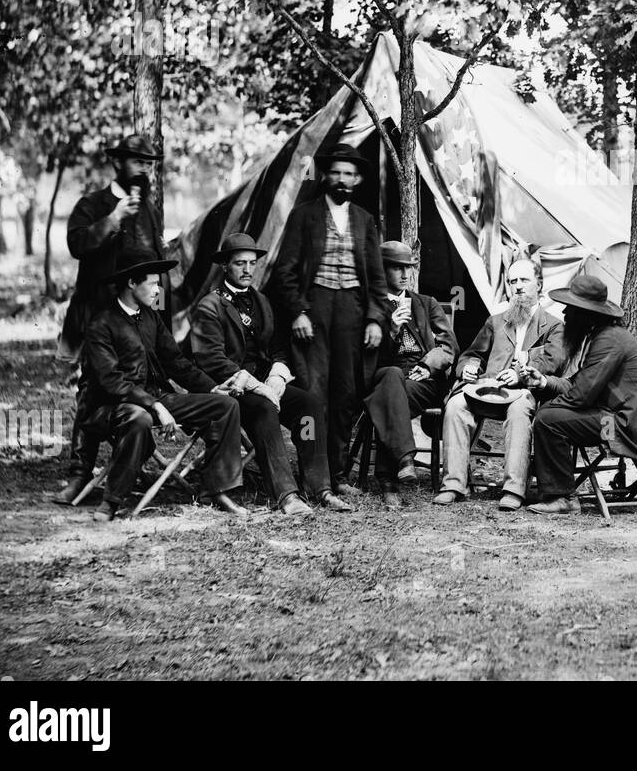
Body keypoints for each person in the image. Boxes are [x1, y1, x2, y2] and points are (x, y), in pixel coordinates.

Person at [189, 233, 353, 516]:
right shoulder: (210, 306)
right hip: (231, 390)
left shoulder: (262, 301)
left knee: (308, 406)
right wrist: (255, 385)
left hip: (266, 383)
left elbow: (277, 347)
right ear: (225, 266)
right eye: (240, 263)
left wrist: (277, 375)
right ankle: (287, 495)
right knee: (265, 409)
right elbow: (211, 359)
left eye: (252, 263)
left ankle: (319, 487)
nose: (247, 270)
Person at [82, 250, 247, 522]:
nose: (158, 289)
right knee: (139, 418)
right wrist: (155, 405)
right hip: (111, 407)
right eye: (152, 283)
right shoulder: (102, 323)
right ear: (132, 283)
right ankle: (111, 501)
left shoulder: (149, 317)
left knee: (225, 405)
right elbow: (111, 382)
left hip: (157, 400)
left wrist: (211, 388)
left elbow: (176, 362)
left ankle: (216, 490)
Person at [269, 143, 387, 497]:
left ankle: (339, 475)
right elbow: (285, 272)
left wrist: (375, 319)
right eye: (335, 172)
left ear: (358, 179)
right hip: (315, 310)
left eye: (349, 173)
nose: (341, 179)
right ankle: (313, 475)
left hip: (352, 312)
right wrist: (299, 312)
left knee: (346, 395)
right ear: (325, 175)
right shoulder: (304, 215)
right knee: (314, 394)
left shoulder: (365, 221)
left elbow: (378, 280)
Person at [54, 133, 165, 506]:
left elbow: (155, 257)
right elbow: (76, 244)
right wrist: (114, 218)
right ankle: (79, 475)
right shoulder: (93, 203)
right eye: (137, 162)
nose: (144, 170)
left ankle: (126, 464)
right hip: (98, 316)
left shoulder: (149, 208)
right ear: (118, 163)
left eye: (148, 164)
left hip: (135, 317)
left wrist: (157, 305)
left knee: (133, 386)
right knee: (92, 392)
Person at [521, 274, 637, 515]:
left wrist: (546, 409)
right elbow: (580, 384)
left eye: (571, 308)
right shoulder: (602, 336)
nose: (566, 314)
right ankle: (554, 488)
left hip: (623, 426)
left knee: (549, 421)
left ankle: (562, 496)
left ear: (586, 313)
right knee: (550, 412)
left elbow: (581, 395)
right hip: (616, 417)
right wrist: (545, 382)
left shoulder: (609, 340)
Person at [433, 257, 564, 511]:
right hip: (486, 390)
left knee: (519, 411)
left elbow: (552, 362)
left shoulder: (554, 326)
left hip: (522, 393)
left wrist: (521, 375)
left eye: (524, 280)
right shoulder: (495, 321)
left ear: (539, 284)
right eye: (512, 281)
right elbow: (473, 354)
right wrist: (468, 367)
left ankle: (514, 490)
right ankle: (453, 485)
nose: (517, 286)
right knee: (456, 405)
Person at [361, 241, 457, 507]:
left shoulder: (426, 304)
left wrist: (427, 365)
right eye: (397, 268)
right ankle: (404, 458)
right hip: (386, 374)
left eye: (409, 268)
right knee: (391, 379)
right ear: (382, 271)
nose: (405, 275)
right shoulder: (370, 308)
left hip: (423, 378)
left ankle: (390, 478)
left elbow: (448, 345)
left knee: (390, 397)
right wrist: (391, 329)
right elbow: (364, 355)